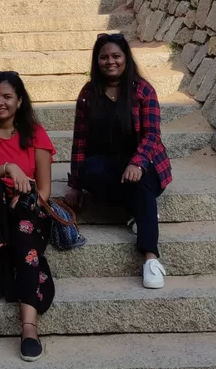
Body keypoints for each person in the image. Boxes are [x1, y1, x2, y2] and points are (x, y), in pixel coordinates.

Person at [63, 33, 171, 289]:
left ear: (126, 58)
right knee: (88, 171)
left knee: (141, 183)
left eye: (116, 56)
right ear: (97, 61)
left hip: (146, 163)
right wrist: (75, 185)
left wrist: (137, 163)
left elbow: (152, 135)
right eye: (104, 57)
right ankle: (140, 210)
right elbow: (80, 139)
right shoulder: (89, 93)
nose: (110, 61)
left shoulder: (143, 90)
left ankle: (150, 258)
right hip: (109, 167)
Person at [0, 72, 56, 361]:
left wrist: (25, 201)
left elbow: (44, 190)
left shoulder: (36, 133)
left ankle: (29, 327)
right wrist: (8, 168)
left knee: (25, 231)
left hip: (28, 205)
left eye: (7, 96)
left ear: (19, 101)